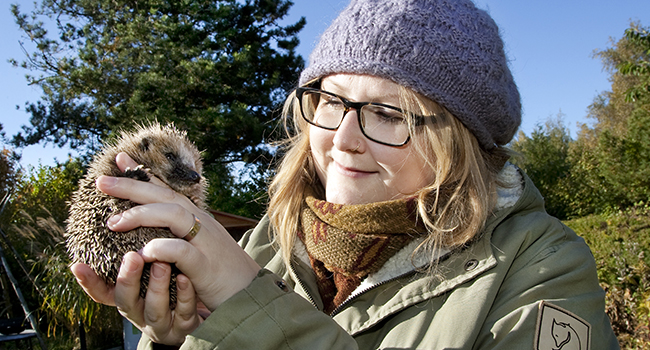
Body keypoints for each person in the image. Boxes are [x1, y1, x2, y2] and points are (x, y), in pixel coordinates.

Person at [71, 0, 620, 348]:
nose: (342, 139)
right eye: (330, 103)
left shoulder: (544, 269)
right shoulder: (268, 243)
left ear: (460, 143)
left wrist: (248, 306)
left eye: (388, 115)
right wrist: (183, 340)